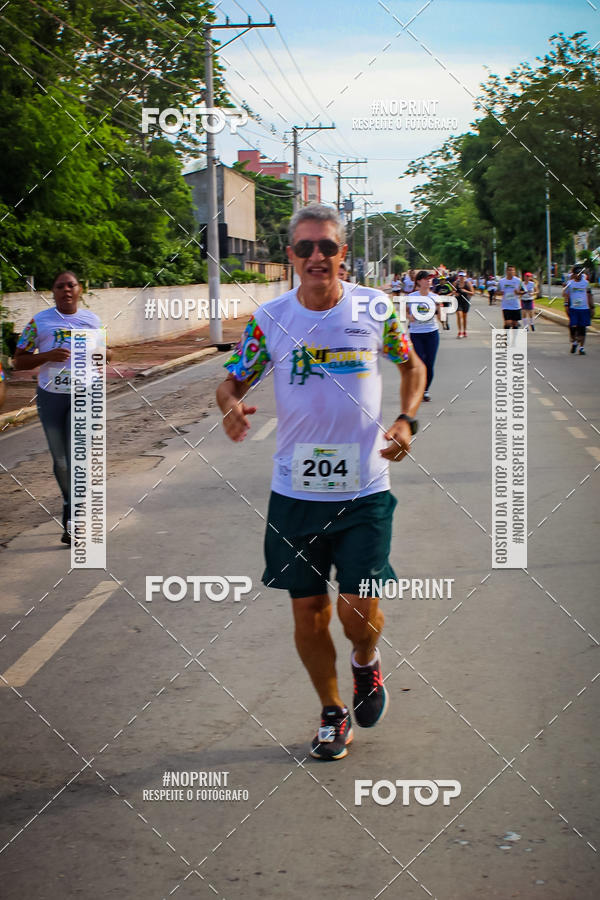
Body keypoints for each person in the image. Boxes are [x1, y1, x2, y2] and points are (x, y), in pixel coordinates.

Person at [216, 204, 426, 761]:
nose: (316, 257)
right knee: (308, 612)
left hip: (365, 489)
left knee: (358, 615)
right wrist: (231, 406)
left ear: (343, 254)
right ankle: (333, 713)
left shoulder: (375, 309)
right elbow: (231, 381)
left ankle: (366, 662)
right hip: (295, 494)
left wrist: (407, 419)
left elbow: (411, 366)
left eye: (327, 247)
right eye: (305, 247)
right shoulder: (271, 320)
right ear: (290, 256)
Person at [13, 271, 110, 545]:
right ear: (52, 292)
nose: (66, 290)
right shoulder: (38, 322)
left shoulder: (92, 320)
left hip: (85, 393)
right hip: (51, 396)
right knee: (61, 462)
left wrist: (99, 354)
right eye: (60, 286)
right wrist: (47, 356)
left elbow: (106, 353)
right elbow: (18, 361)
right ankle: (74, 506)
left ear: (81, 289)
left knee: (77, 456)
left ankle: (74, 519)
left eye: (71, 285)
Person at [406, 271, 440, 402]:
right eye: (426, 279)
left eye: (430, 279)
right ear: (419, 281)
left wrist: (441, 314)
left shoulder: (435, 297)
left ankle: (425, 390)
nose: (428, 281)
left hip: (432, 332)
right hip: (417, 333)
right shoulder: (411, 297)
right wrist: (410, 317)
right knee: (419, 362)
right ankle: (417, 389)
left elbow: (440, 313)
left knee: (429, 363)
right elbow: (405, 312)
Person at [563, 266, 593, 355]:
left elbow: (589, 295)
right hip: (574, 309)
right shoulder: (570, 283)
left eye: (580, 274)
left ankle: (581, 347)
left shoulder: (586, 283)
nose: (579, 276)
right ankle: (575, 341)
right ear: (574, 274)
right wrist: (566, 305)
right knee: (573, 326)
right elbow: (566, 295)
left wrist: (592, 307)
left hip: (584, 309)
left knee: (582, 328)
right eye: (577, 274)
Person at [454, 271, 474, 338]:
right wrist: (455, 294)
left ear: (465, 276)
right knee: (459, 316)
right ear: (458, 276)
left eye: (463, 276)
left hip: (465, 301)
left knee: (464, 317)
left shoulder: (467, 283)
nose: (461, 277)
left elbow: (472, 293)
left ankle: (464, 331)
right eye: (460, 276)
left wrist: (466, 291)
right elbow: (453, 291)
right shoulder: (456, 283)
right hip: (458, 301)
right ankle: (459, 332)